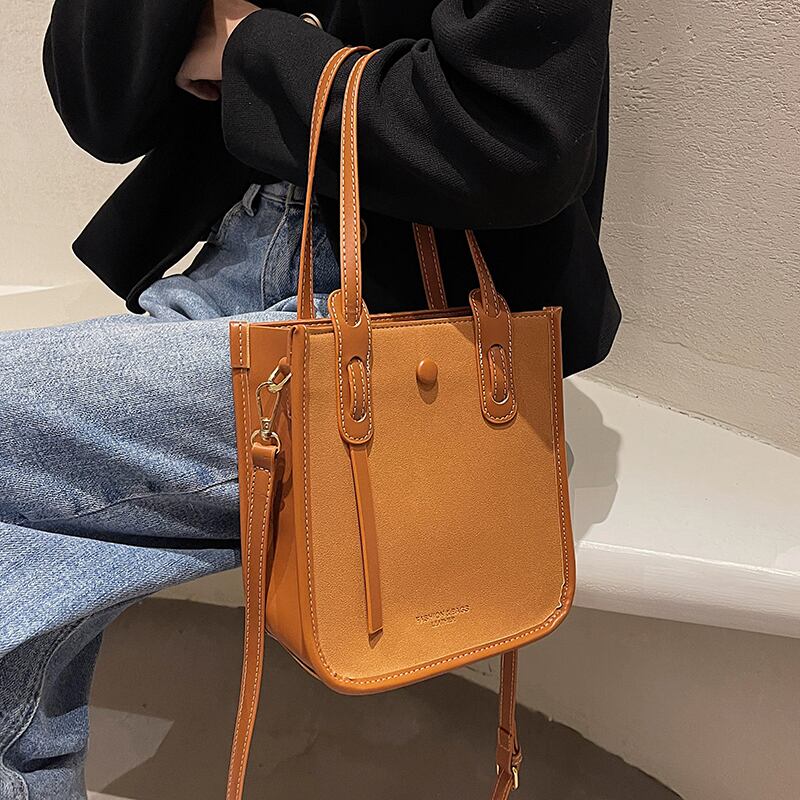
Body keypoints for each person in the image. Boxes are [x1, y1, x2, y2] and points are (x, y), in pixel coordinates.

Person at [0, 1, 620, 797]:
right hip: (236, 255)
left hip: (417, 311)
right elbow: (100, 106)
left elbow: (517, 133)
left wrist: (253, 48)